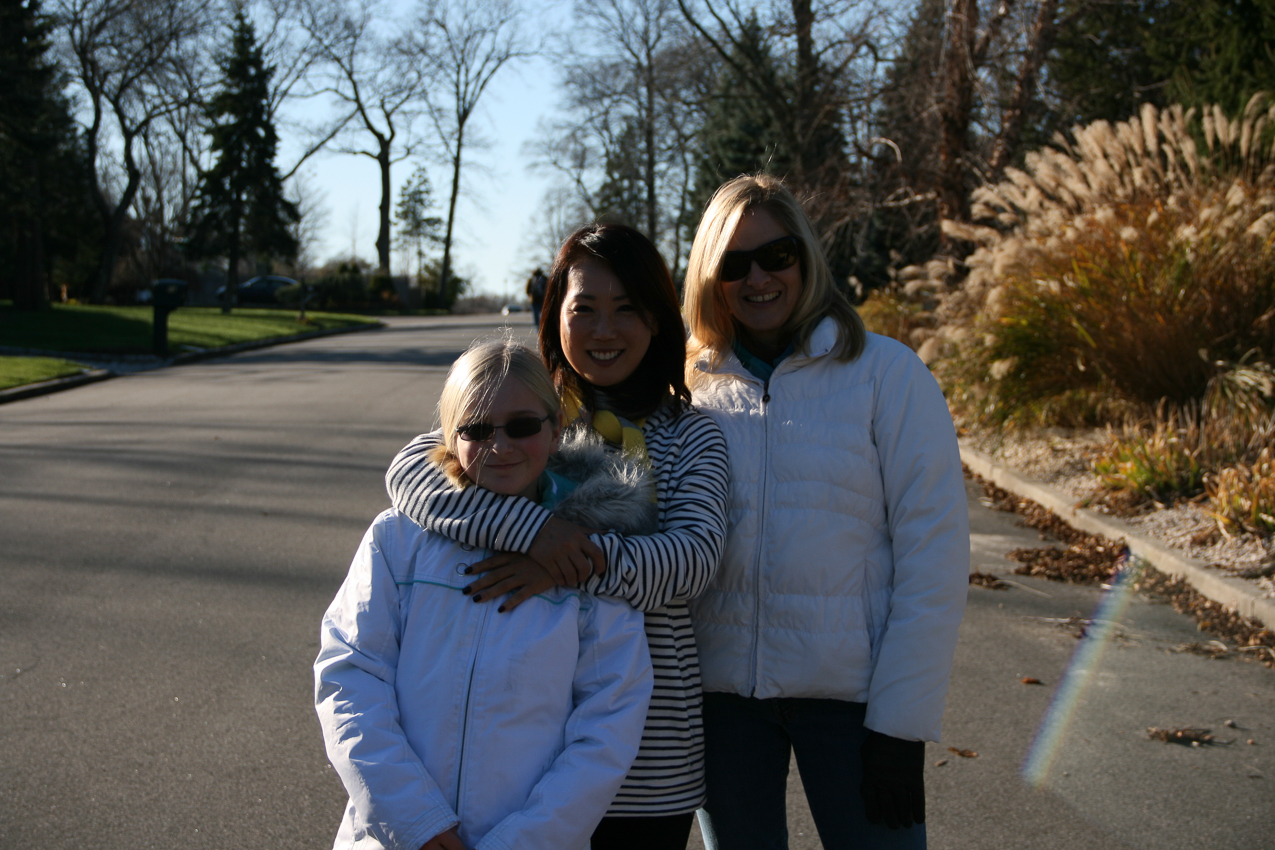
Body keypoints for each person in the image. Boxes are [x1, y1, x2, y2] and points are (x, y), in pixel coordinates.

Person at [386, 224, 730, 850]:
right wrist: (535, 530)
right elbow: (415, 468)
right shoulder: (527, 413)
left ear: (657, 320)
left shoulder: (690, 435)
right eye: (585, 309)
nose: (604, 330)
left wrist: (564, 559)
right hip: (522, 764)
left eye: (627, 309)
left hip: (649, 767)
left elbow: (691, 559)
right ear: (555, 315)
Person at [681, 174, 970, 850]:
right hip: (722, 706)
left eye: (776, 255)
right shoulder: (689, 388)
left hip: (855, 707)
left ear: (805, 257)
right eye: (734, 263)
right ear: (709, 277)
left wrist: (900, 724)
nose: (758, 278)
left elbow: (933, 555)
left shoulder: (886, 373)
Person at [316, 338, 655, 850]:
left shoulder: (585, 553)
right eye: (476, 429)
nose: (500, 446)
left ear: (556, 429)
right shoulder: (397, 539)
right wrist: (416, 822)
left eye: (522, 425)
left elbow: (610, 719)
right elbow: (351, 676)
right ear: (449, 438)